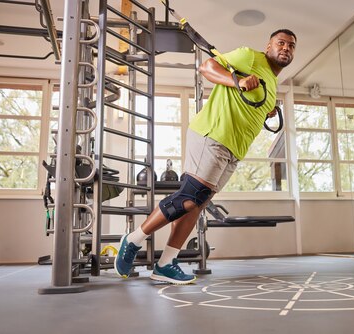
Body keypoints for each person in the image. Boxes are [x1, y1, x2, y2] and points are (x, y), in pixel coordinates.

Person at [114, 29, 297, 284]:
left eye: (291, 45)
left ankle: (166, 262)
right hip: (213, 135)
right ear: (268, 47)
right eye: (281, 42)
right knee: (190, 198)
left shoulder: (272, 81)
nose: (286, 48)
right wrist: (238, 81)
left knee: (197, 204)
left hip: (233, 150)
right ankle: (134, 239)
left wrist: (266, 109)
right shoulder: (249, 57)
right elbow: (207, 67)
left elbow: (248, 103)